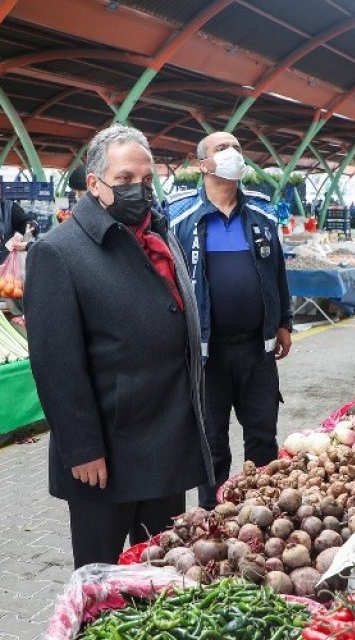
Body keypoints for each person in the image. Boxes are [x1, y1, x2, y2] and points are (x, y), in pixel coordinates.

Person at [24, 124, 212, 567]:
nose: (139, 190)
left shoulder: (158, 234)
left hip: (165, 439)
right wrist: (82, 447)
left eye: (147, 180)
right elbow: (55, 363)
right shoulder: (59, 251)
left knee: (162, 570)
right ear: (94, 184)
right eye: (125, 179)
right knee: (100, 576)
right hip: (107, 452)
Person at [166, 130, 293, 510]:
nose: (234, 153)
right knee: (212, 442)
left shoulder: (262, 212)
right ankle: (212, 512)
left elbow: (277, 272)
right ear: (202, 164)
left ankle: (262, 508)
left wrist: (284, 320)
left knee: (262, 436)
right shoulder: (179, 218)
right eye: (223, 148)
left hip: (257, 350)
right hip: (208, 355)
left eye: (238, 147)